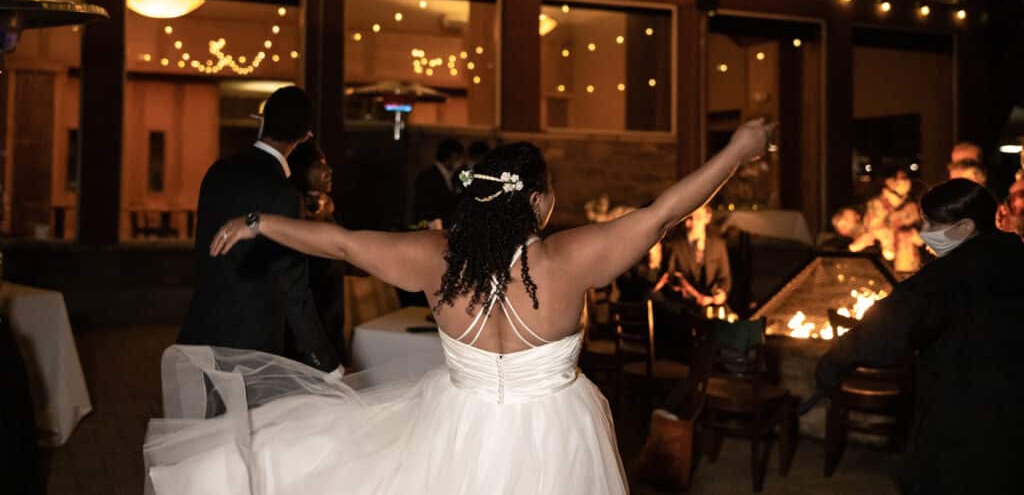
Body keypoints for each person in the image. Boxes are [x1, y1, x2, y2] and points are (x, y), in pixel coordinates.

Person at [143, 120, 772, 494]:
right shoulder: (568, 260)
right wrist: (738, 151)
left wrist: (260, 222)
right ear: (539, 205)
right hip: (556, 433)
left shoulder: (436, 259)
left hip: (457, 428)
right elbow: (665, 212)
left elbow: (339, 241)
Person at [813, 179, 1024, 494]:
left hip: (959, 426)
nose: (925, 231)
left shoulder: (945, 277)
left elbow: (886, 328)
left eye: (933, 223)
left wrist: (831, 365)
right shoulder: (1015, 259)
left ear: (965, 226)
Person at [177, 86, 340, 373]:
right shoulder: (285, 195)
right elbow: (294, 287)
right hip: (251, 347)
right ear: (305, 136)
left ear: (262, 122)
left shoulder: (218, 171)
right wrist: (325, 361)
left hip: (200, 331)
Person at [288, 141, 346, 363]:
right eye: (320, 165)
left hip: (331, 316)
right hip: (310, 323)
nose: (328, 171)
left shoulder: (326, 209)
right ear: (301, 170)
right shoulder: (296, 213)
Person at [654, 205, 731, 307]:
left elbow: (725, 277)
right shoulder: (674, 245)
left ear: (708, 218)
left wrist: (721, 293)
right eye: (690, 217)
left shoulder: (718, 245)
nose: (694, 222)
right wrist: (690, 295)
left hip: (711, 307)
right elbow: (670, 277)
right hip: (683, 308)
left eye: (698, 217)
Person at [860, 169, 924, 273]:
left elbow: (922, 232)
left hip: (911, 261)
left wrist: (913, 236)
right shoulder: (876, 205)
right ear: (889, 181)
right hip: (884, 264)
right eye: (901, 178)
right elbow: (874, 230)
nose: (905, 182)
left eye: (906, 178)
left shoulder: (911, 206)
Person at [412, 138, 464, 227]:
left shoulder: (456, 176)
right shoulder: (428, 177)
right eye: (458, 158)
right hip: (430, 228)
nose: (461, 161)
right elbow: (422, 207)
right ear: (452, 156)